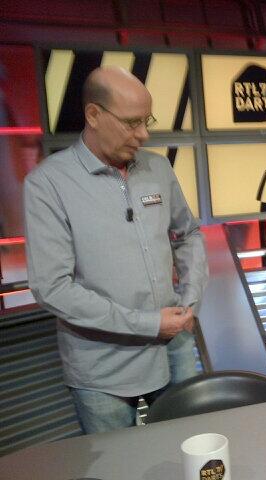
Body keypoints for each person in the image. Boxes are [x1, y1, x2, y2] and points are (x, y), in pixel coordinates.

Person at [23, 66, 208, 433]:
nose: (144, 134)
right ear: (93, 114)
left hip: (174, 350)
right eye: (131, 123)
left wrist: (191, 300)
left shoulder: (157, 168)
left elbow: (188, 234)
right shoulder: (48, 184)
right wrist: (149, 324)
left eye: (147, 121)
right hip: (102, 369)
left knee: (189, 446)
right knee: (116, 460)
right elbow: (52, 287)